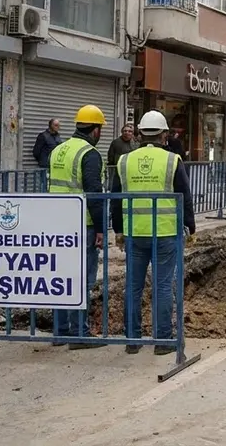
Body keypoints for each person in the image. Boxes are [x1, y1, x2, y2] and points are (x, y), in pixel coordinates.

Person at [111, 110, 196, 355]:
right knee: (162, 286)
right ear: (164, 135)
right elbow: (185, 195)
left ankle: (132, 340)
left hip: (134, 233)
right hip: (165, 233)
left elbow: (116, 199)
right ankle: (163, 342)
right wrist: (190, 226)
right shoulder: (172, 160)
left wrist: (118, 230)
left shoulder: (125, 160)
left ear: (139, 134)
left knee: (133, 286)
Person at [48, 105, 108, 349]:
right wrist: (102, 228)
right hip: (82, 224)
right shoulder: (89, 154)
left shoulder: (58, 150)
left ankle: (60, 332)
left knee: (61, 278)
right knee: (82, 279)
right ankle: (79, 333)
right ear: (95, 130)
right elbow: (93, 193)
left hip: (57, 222)